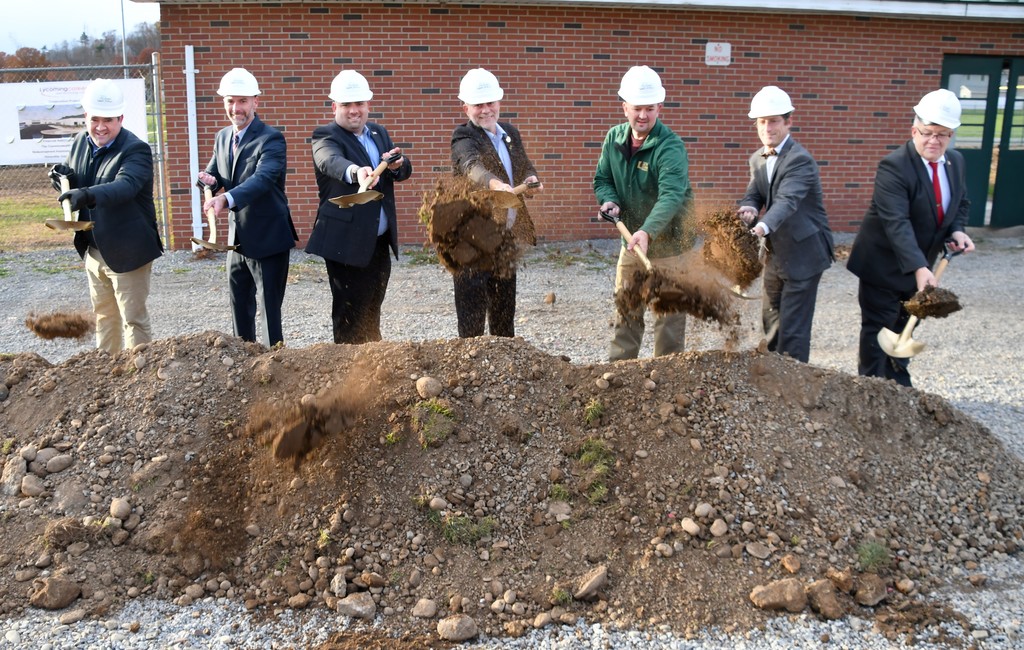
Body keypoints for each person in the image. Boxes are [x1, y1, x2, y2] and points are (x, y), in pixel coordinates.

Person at [847, 89, 975, 386]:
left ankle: (898, 383)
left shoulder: (955, 163)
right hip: (883, 265)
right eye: (928, 132)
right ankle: (870, 389)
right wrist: (919, 267)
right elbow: (897, 223)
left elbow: (961, 203)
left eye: (943, 134)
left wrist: (957, 229)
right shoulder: (894, 166)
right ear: (914, 130)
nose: (935, 140)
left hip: (920, 264)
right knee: (878, 331)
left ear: (952, 135)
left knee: (907, 324)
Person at [52, 78, 163, 355]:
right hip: (93, 247)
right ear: (85, 116)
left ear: (121, 118)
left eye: (109, 120)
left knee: (133, 320)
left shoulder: (135, 150)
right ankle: (108, 377)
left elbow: (125, 186)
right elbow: (76, 176)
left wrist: (86, 194)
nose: (101, 127)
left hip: (128, 249)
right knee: (104, 317)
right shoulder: (80, 141)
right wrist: (61, 178)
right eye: (95, 119)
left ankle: (140, 381)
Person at [593, 65, 694, 361]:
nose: (643, 116)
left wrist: (647, 231)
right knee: (627, 311)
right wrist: (609, 201)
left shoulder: (670, 147)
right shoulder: (614, 139)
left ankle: (666, 378)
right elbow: (603, 179)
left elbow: (671, 196)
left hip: (672, 247)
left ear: (659, 107)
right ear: (625, 107)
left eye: (650, 109)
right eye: (637, 108)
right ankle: (621, 374)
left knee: (669, 321)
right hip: (632, 244)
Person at [307, 70, 412, 344]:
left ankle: (371, 360)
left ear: (368, 105)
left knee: (372, 306)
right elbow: (329, 161)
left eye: (359, 104)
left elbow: (398, 171)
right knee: (349, 312)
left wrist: (400, 165)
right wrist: (356, 173)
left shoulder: (379, 132)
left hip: (378, 242)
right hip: (346, 243)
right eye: (346, 105)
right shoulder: (325, 135)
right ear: (334, 107)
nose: (354, 111)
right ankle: (347, 369)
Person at [197, 68, 297, 348]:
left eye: (242, 101)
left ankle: (273, 367)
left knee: (269, 310)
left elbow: (263, 179)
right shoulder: (222, 137)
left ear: (256, 102)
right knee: (238, 303)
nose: (235, 108)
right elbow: (217, 173)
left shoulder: (271, 138)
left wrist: (225, 199)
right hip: (236, 239)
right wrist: (207, 180)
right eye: (230, 101)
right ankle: (243, 363)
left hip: (268, 237)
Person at [737, 86, 834, 364]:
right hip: (776, 253)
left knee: (794, 330)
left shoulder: (800, 160)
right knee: (771, 320)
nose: (767, 127)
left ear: (788, 121)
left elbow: (787, 201)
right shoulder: (757, 158)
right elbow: (755, 193)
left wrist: (761, 227)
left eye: (774, 120)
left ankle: (795, 386)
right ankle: (775, 374)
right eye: (762, 121)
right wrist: (750, 208)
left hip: (805, 254)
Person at [450, 67, 543, 338]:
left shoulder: (510, 133)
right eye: (478, 105)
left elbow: (523, 165)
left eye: (490, 103)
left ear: (499, 102)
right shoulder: (463, 137)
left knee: (504, 315)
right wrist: (495, 185)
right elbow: (471, 166)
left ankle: (505, 372)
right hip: (471, 242)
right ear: (466, 107)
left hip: (505, 239)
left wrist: (531, 178)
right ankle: (470, 371)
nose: (486, 110)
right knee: (472, 322)